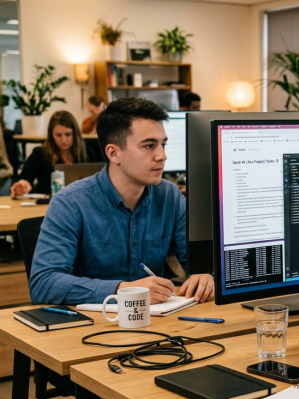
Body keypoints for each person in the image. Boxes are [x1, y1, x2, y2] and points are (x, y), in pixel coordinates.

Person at [29, 98, 214, 307]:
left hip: (159, 322)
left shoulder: (169, 196)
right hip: (92, 326)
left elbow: (198, 263)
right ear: (113, 153)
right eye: (149, 146)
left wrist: (205, 274)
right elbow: (42, 284)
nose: (162, 156)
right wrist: (123, 290)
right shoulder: (69, 203)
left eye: (163, 144)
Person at [11, 111, 97, 196]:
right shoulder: (40, 153)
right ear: (51, 135)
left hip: (82, 202)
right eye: (58, 135)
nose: (63, 140)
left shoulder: (87, 152)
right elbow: (24, 179)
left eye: (68, 134)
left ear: (75, 134)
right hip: (49, 204)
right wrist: (22, 185)